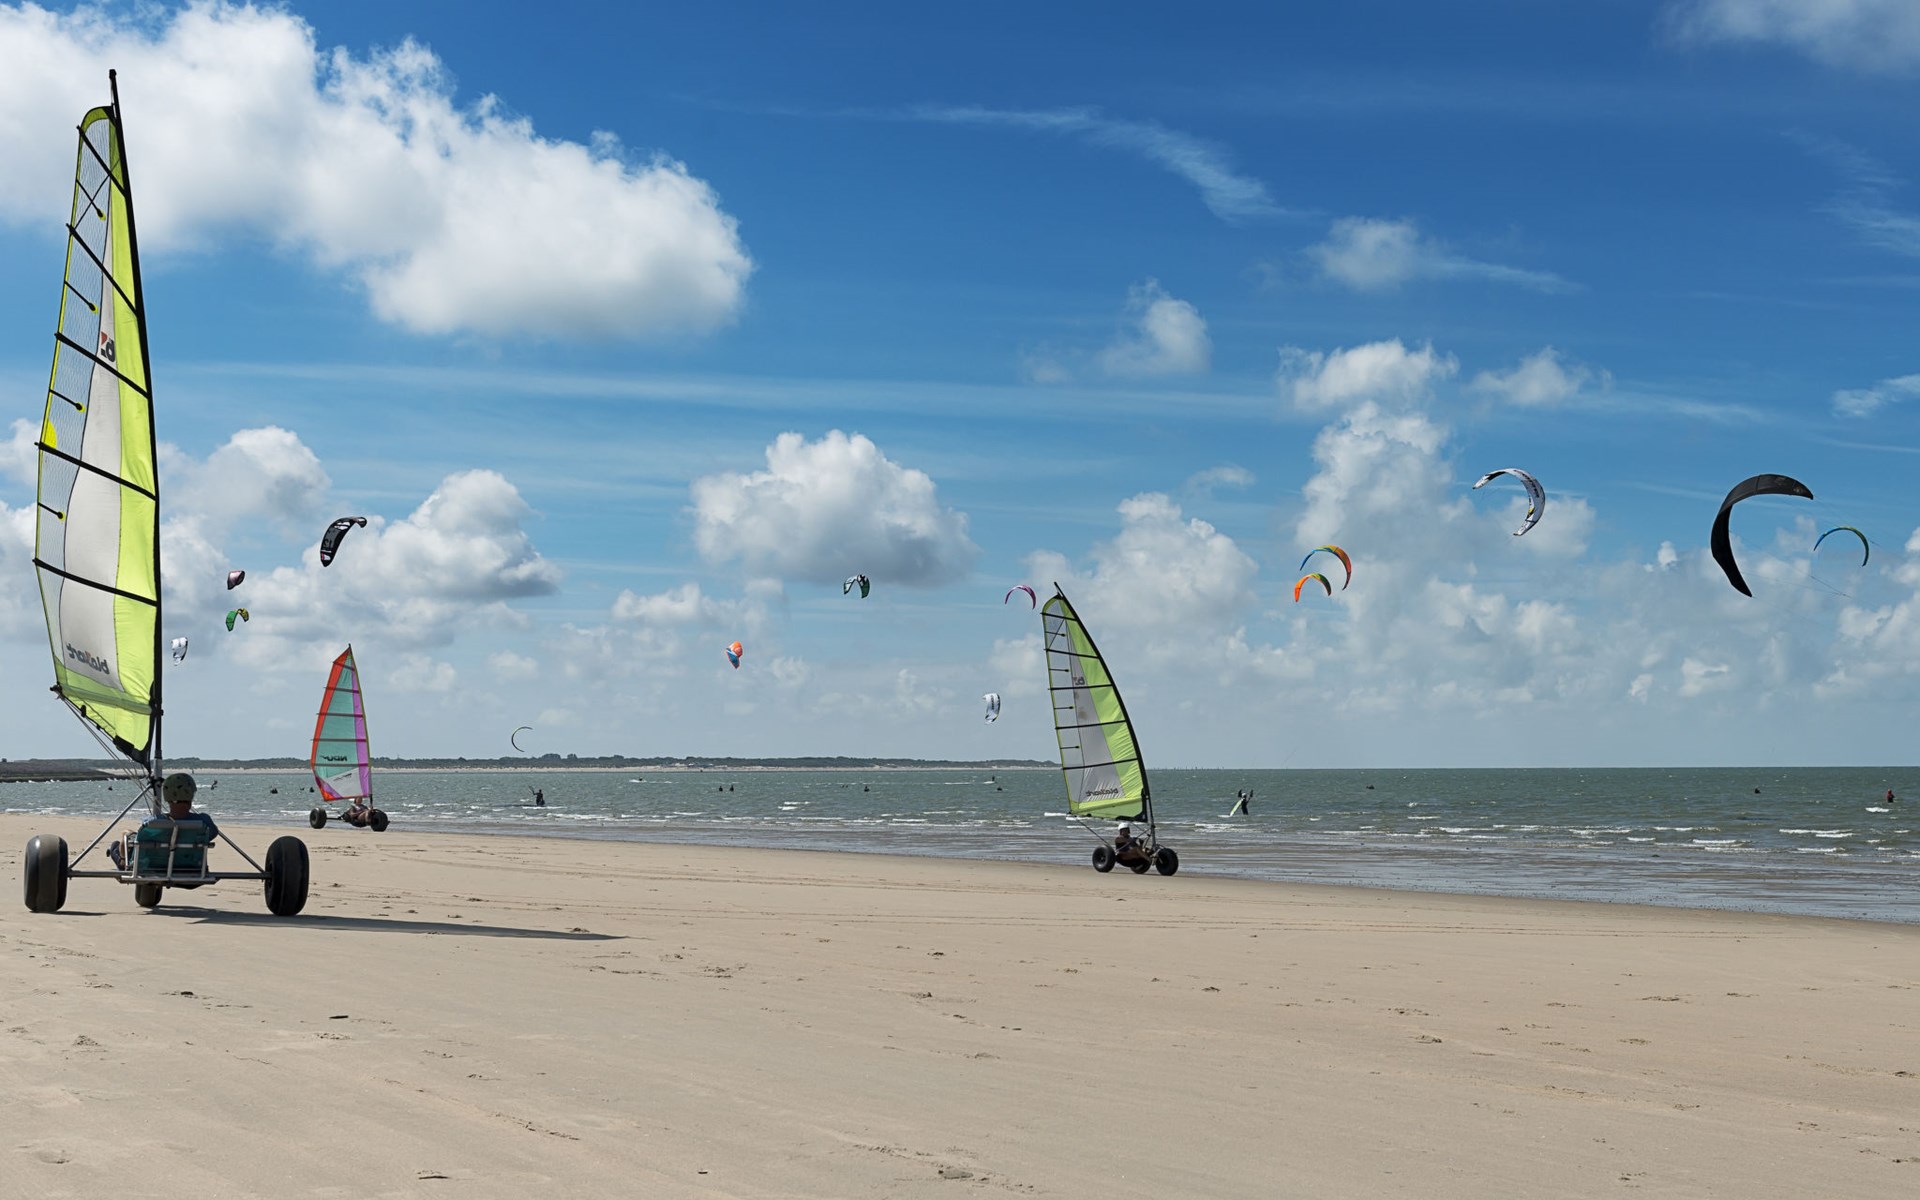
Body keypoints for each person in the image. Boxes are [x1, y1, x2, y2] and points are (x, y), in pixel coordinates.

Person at [109, 773, 216, 868]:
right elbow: (211, 834)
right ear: (191, 795)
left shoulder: (152, 822)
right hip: (191, 868)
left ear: (167, 797)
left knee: (118, 843)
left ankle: (122, 862)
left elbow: (142, 838)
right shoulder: (203, 822)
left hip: (151, 867)